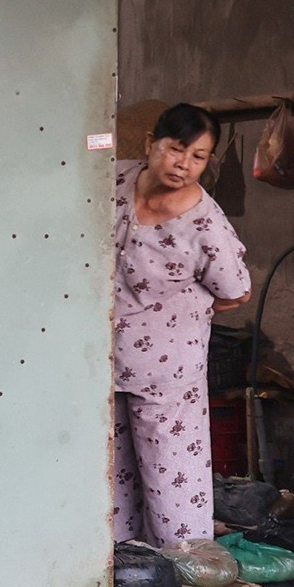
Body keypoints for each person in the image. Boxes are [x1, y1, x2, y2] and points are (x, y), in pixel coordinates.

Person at [112, 103, 251, 546]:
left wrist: (180, 310)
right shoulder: (115, 179)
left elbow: (235, 292)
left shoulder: (205, 222)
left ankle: (186, 566)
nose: (184, 165)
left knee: (172, 472)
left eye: (199, 157)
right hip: (102, 360)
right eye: (176, 149)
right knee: (111, 470)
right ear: (150, 143)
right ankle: (123, 568)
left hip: (166, 368)